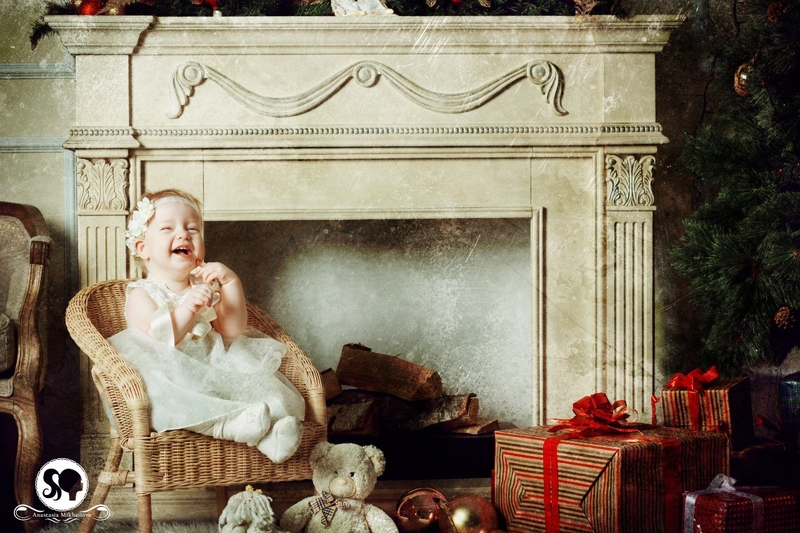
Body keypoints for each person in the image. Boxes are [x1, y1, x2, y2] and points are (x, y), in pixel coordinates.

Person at [107, 189, 304, 463]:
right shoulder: (142, 293)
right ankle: (227, 425)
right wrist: (187, 307)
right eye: (168, 228)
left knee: (251, 382)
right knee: (166, 397)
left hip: (212, 367)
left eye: (192, 229)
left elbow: (231, 330)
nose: (184, 235)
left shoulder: (204, 285)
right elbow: (158, 340)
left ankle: (271, 435)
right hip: (171, 376)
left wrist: (231, 283)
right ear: (143, 248)